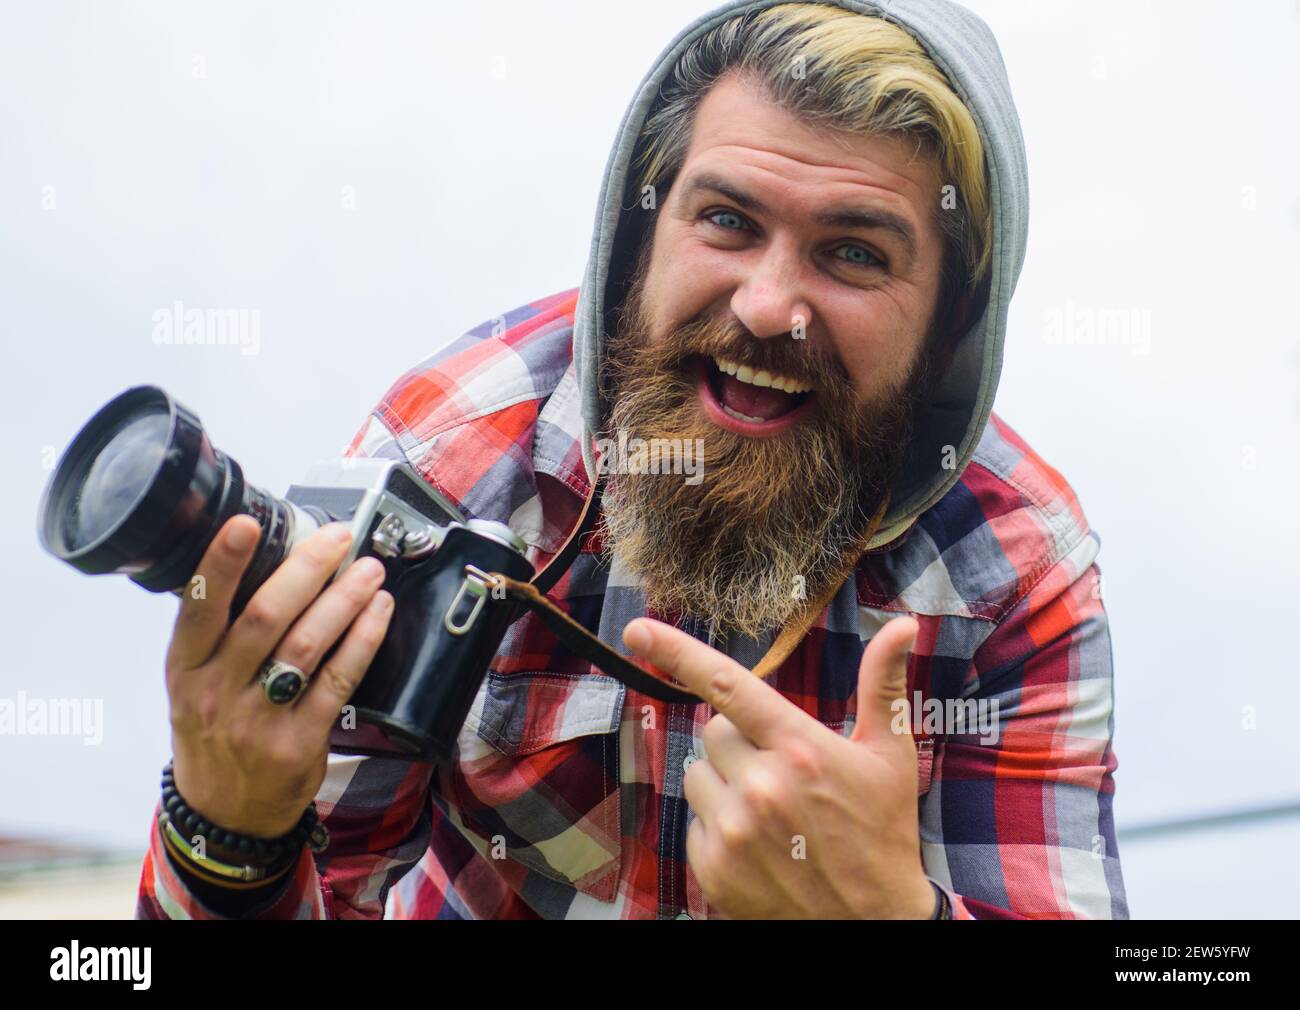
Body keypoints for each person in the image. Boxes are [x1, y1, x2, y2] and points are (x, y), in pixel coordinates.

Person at [137, 0, 1128, 920]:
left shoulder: (1015, 570)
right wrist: (228, 829)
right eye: (728, 221)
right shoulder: (453, 464)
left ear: (951, 323)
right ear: (639, 235)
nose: (765, 306)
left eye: (855, 253)